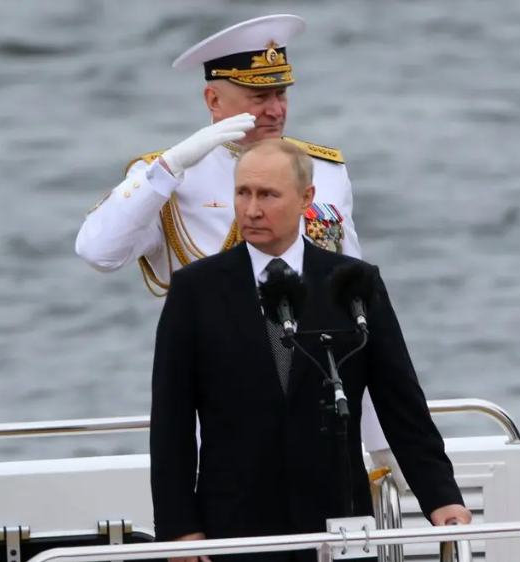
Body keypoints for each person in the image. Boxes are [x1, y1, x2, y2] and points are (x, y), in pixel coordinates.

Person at [73, 14, 407, 491]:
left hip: (318, 407)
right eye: (257, 96)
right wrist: (168, 169)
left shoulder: (324, 171)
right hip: (222, 416)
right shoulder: (171, 178)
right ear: (214, 100)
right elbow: (97, 251)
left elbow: (356, 310)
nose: (274, 110)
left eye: (281, 94)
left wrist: (381, 444)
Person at [149, 139, 470, 562]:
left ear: (306, 198)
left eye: (268, 195)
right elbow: (170, 420)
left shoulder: (353, 282)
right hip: (236, 527)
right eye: (243, 193)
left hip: (339, 520)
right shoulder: (195, 290)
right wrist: (178, 530)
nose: (251, 210)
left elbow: (401, 402)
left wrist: (442, 497)